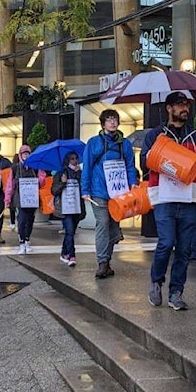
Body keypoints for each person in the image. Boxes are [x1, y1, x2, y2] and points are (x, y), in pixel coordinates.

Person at [142, 92, 196, 311]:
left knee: (184, 249)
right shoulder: (156, 135)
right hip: (164, 198)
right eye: (180, 105)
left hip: (190, 200)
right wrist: (169, 157)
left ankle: (176, 292)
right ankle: (156, 281)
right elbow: (145, 162)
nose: (185, 108)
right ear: (169, 108)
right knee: (166, 243)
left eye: (186, 105)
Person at [82, 109, 139, 278]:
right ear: (103, 123)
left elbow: (130, 165)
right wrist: (85, 190)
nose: (112, 122)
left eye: (115, 119)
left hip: (118, 193)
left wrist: (133, 183)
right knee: (103, 223)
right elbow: (87, 167)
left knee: (113, 227)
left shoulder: (125, 144)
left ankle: (107, 261)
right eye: (109, 120)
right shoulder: (93, 143)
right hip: (99, 190)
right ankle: (102, 262)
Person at [5, 144, 46, 253]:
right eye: (24, 154)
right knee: (22, 221)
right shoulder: (15, 168)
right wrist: (7, 199)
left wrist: (41, 173)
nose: (26, 156)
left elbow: (42, 183)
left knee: (30, 220)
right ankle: (22, 242)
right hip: (19, 199)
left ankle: (27, 239)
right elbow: (10, 185)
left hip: (32, 199)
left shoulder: (35, 167)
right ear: (20, 155)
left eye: (28, 153)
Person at [53, 151, 86, 267]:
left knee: (69, 232)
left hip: (77, 207)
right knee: (70, 231)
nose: (75, 160)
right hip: (65, 207)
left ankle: (64, 253)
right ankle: (72, 255)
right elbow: (54, 191)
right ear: (67, 160)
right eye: (72, 159)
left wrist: (79, 176)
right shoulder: (61, 173)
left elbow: (84, 187)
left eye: (76, 158)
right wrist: (62, 183)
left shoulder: (81, 173)